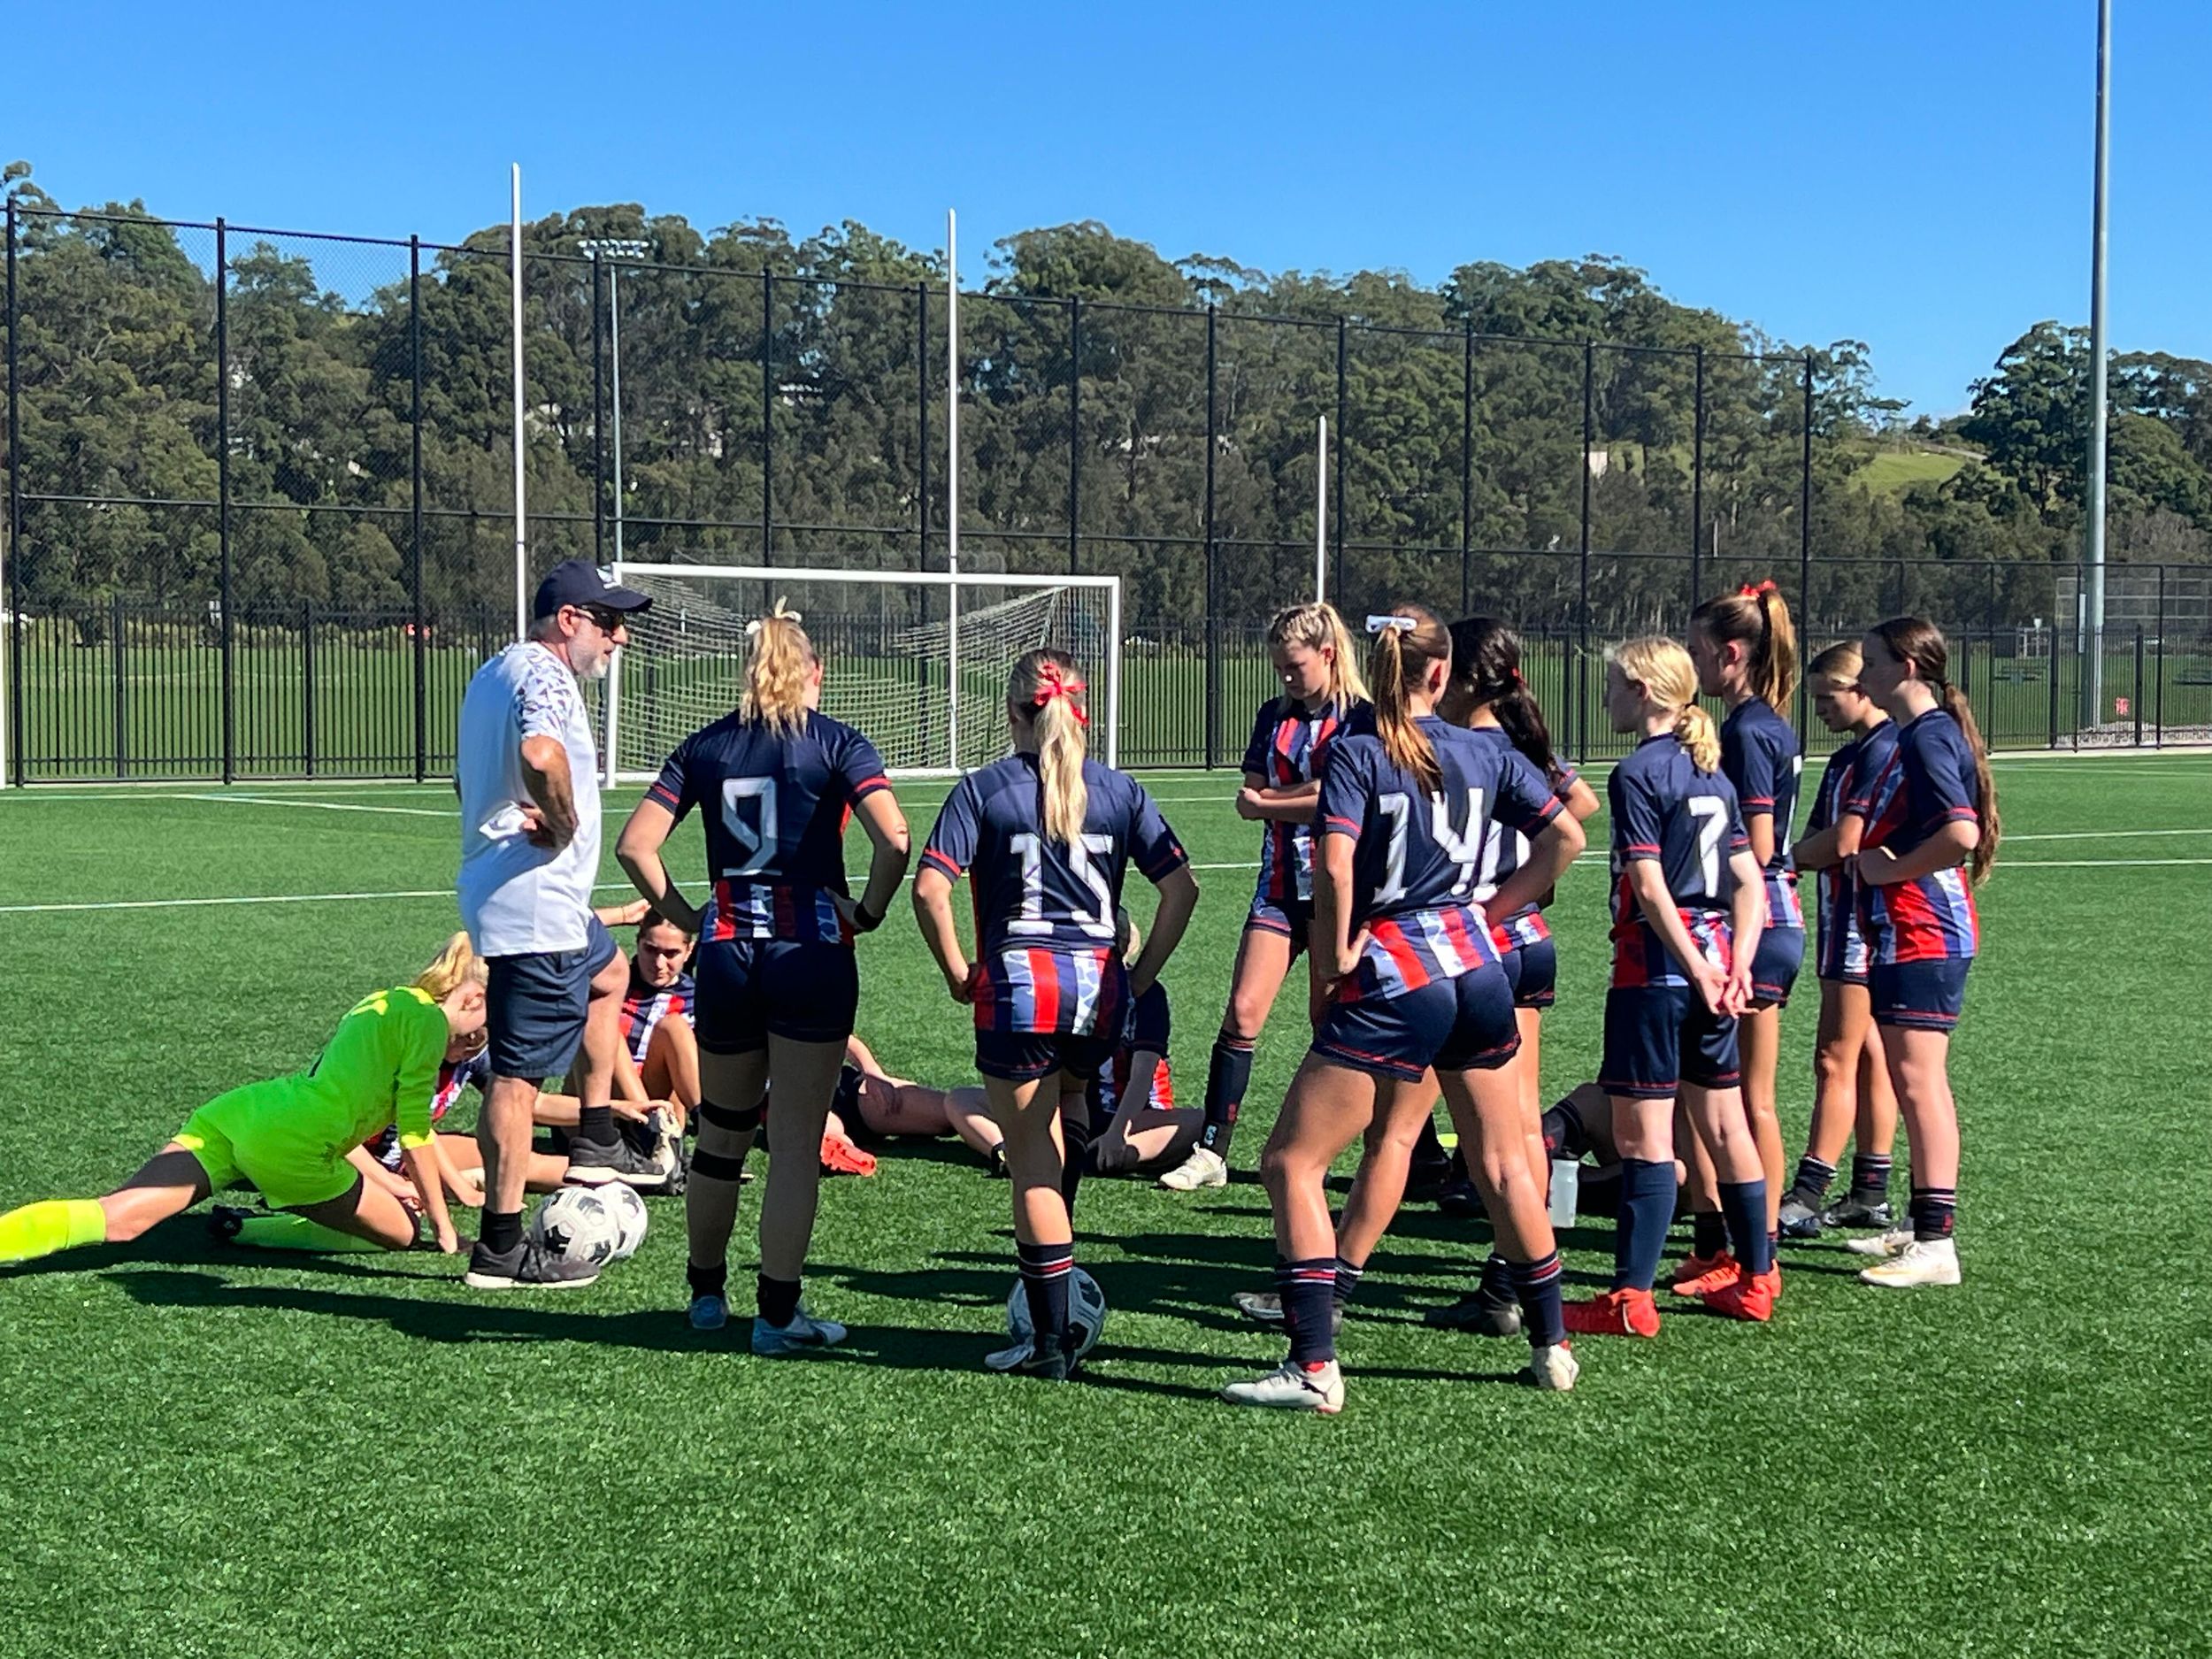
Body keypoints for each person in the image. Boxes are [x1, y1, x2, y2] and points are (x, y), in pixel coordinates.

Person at [1222, 606, 1584, 1413]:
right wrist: (1493, 911)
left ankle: (1314, 1366)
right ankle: (1552, 1344)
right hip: (1479, 968)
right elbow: (1566, 837)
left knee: (1290, 1163)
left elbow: (1335, 868)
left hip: (1399, 970)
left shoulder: (1357, 751)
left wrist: (1334, 959)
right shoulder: (1488, 748)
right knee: (1502, 1162)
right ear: (1440, 674)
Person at [616, 601, 912, 1353]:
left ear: (747, 674)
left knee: (722, 1130)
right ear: (815, 672)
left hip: (726, 952)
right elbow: (894, 838)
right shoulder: (838, 742)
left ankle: (705, 1293)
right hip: (809, 951)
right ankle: (777, 1315)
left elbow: (635, 845)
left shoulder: (706, 745)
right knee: (794, 1139)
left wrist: (685, 912)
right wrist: (867, 911)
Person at [914, 649, 1200, 1381]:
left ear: (1014, 712)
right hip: (1098, 992)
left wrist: (957, 971)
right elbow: (1182, 888)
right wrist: (1139, 974)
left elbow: (929, 889)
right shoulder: (1121, 789)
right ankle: (1056, 1269)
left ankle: (1049, 1340)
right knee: (1071, 1104)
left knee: (1033, 1168)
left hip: (1020, 988)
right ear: (1083, 714)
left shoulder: (984, 788)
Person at [0, 936, 488, 1266]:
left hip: (242, 1113)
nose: (481, 1041)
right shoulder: (430, 1027)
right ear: (470, 999)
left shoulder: (386, 1000)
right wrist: (445, 1229)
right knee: (403, 1231)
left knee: (118, 1217)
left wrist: (391, 1180)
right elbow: (415, 1133)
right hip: (297, 1152)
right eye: (488, 1025)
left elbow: (339, 1097)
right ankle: (256, 1228)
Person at [455, 558, 662, 1291]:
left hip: (539, 902)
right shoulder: (544, 672)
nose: (619, 637)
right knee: (516, 1081)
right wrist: (566, 825)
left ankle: (597, 1138)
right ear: (568, 620)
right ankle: (501, 1247)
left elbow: (465, 780)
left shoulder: (492, 673)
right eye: (608, 622)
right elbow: (540, 754)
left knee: (610, 973)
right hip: (535, 907)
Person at [1563, 637, 1776, 1338]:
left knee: (1645, 1136)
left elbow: (1650, 887)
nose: (1606, 700)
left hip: (1655, 974)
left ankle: (1630, 1298)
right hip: (1714, 972)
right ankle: (1758, 1277)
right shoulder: (1711, 770)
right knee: (1726, 1123)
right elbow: (1750, 883)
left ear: (1644, 691)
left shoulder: (1638, 772)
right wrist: (1735, 963)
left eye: (1614, 686)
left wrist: (1692, 962)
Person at [1425, 616, 1601, 1333]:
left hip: (1474, 947)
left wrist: (1497, 900)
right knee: (1518, 1128)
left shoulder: (1466, 748)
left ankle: (1323, 1293)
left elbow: (1571, 824)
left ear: (1460, 677)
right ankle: (1509, 1284)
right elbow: (1579, 805)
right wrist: (1531, 887)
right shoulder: (1519, 743)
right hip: (1528, 941)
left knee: (1403, 1135)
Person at [1158, 602, 1368, 1193]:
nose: (1287, 678)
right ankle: (1212, 1152)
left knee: (1335, 1021)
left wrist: (1273, 802)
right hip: (1277, 887)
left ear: (1328, 655)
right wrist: (1287, 799)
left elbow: (1335, 798)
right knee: (1244, 1010)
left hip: (1336, 890)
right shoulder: (1273, 716)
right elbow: (1249, 794)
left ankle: (1410, 1148)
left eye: (1295, 666)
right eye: (1279, 668)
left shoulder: (1362, 719)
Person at [1841, 617, 1998, 1289]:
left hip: (1925, 928)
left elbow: (1960, 833)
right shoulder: (1916, 734)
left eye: (1872, 663)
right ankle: (1921, 1221)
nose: (1862, 678)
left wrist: (1889, 868)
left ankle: (1937, 1243)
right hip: (1906, 929)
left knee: (1920, 1080)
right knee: (1911, 1078)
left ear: (1906, 667)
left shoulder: (1929, 735)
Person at [1678, 580, 1801, 1294]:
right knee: (1712, 1094)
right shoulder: (1764, 722)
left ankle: (1760, 1253)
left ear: (1731, 654)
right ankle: (1723, 1244)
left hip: (1757, 922)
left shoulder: (1750, 730)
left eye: (1698, 653)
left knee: (1745, 1099)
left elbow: (1755, 845)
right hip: (1768, 916)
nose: (1692, 665)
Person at [1777, 642, 1901, 1237]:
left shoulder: (1879, 750)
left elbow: (1844, 840)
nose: (1821, 708)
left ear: (1863, 689)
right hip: (1851, 914)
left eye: (1829, 697)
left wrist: (1782, 861)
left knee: (1834, 1056)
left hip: (1860, 920)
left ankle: (1808, 1191)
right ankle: (1870, 1190)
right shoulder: (1853, 754)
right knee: (1869, 1052)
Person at [1087, 913, 1203, 1179]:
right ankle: (1103, 1156)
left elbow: (1142, 1075)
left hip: (1131, 1118)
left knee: (1200, 1123)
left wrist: (1117, 1131)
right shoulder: (1079, 988)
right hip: (1079, 1113)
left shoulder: (1146, 994)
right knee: (979, 1097)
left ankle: (1096, 1153)